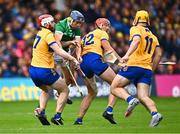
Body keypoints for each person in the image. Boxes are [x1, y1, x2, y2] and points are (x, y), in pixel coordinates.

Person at [110, 10, 163, 127]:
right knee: (143, 96)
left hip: (134, 65)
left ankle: (130, 100)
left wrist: (127, 55)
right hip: (146, 69)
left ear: (136, 19)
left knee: (114, 88)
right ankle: (155, 114)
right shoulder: (153, 36)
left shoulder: (135, 29)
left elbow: (137, 40)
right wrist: (151, 68)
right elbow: (158, 54)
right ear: (147, 20)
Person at [29, 14, 79, 125]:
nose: (54, 24)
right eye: (51, 22)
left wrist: (69, 43)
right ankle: (57, 116)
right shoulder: (48, 35)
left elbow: (55, 47)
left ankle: (41, 110)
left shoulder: (40, 33)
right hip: (44, 70)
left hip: (33, 71)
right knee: (65, 90)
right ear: (46, 24)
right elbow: (59, 50)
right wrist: (72, 58)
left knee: (46, 89)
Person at [74, 18, 122, 125]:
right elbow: (108, 49)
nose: (108, 28)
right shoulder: (101, 33)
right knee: (117, 84)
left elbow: (79, 51)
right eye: (106, 25)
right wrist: (120, 60)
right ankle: (109, 111)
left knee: (92, 92)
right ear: (100, 26)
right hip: (94, 60)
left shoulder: (86, 36)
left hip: (84, 63)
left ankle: (79, 119)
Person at [54, 10, 85, 104]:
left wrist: (79, 56)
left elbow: (78, 44)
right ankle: (60, 92)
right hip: (55, 50)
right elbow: (57, 42)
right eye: (77, 23)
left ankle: (60, 92)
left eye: (80, 23)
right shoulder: (61, 25)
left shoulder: (77, 28)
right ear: (71, 20)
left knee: (70, 79)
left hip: (67, 51)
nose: (79, 25)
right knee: (66, 78)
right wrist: (62, 53)